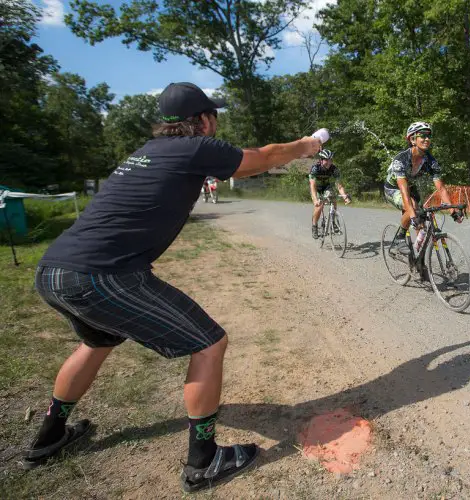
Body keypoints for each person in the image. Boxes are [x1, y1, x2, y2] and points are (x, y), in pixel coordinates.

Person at [24, 82, 322, 492]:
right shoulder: (197, 147)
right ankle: (203, 461)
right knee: (209, 344)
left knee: (98, 342)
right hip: (104, 274)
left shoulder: (143, 153)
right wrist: (306, 144)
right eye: (212, 115)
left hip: (54, 269)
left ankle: (50, 435)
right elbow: (262, 158)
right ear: (202, 120)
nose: (215, 122)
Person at [383, 122, 463, 265]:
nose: (427, 139)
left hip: (411, 189)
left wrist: (452, 210)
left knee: (422, 227)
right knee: (412, 209)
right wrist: (413, 215)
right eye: (423, 136)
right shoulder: (401, 159)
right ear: (412, 139)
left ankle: (419, 261)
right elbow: (403, 190)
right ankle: (399, 238)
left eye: (429, 136)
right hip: (393, 189)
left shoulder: (430, 161)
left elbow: (441, 188)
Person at [309, 149, 351, 239]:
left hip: (326, 187)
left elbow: (339, 185)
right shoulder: (315, 168)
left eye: (330, 160)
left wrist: (345, 197)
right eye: (326, 160)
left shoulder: (334, 169)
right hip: (317, 188)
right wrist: (315, 199)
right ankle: (314, 226)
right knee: (319, 206)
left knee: (333, 197)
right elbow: (312, 185)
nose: (329, 162)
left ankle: (333, 221)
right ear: (321, 160)